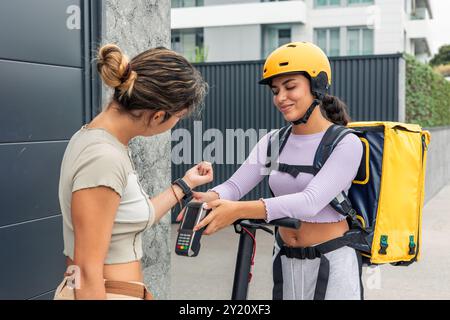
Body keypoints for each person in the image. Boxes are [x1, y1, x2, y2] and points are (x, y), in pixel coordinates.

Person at [189, 42, 364, 300]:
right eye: (275, 90)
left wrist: (237, 210)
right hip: (285, 259)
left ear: (317, 86)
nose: (280, 97)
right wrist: (211, 197)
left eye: (290, 86)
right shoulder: (274, 142)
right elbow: (236, 186)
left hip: (333, 260)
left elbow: (309, 202)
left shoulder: (345, 143)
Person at [54, 44, 212, 300]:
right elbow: (84, 269)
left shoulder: (99, 143)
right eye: (178, 117)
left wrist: (185, 184)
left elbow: (128, 218)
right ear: (158, 115)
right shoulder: (103, 157)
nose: (175, 124)